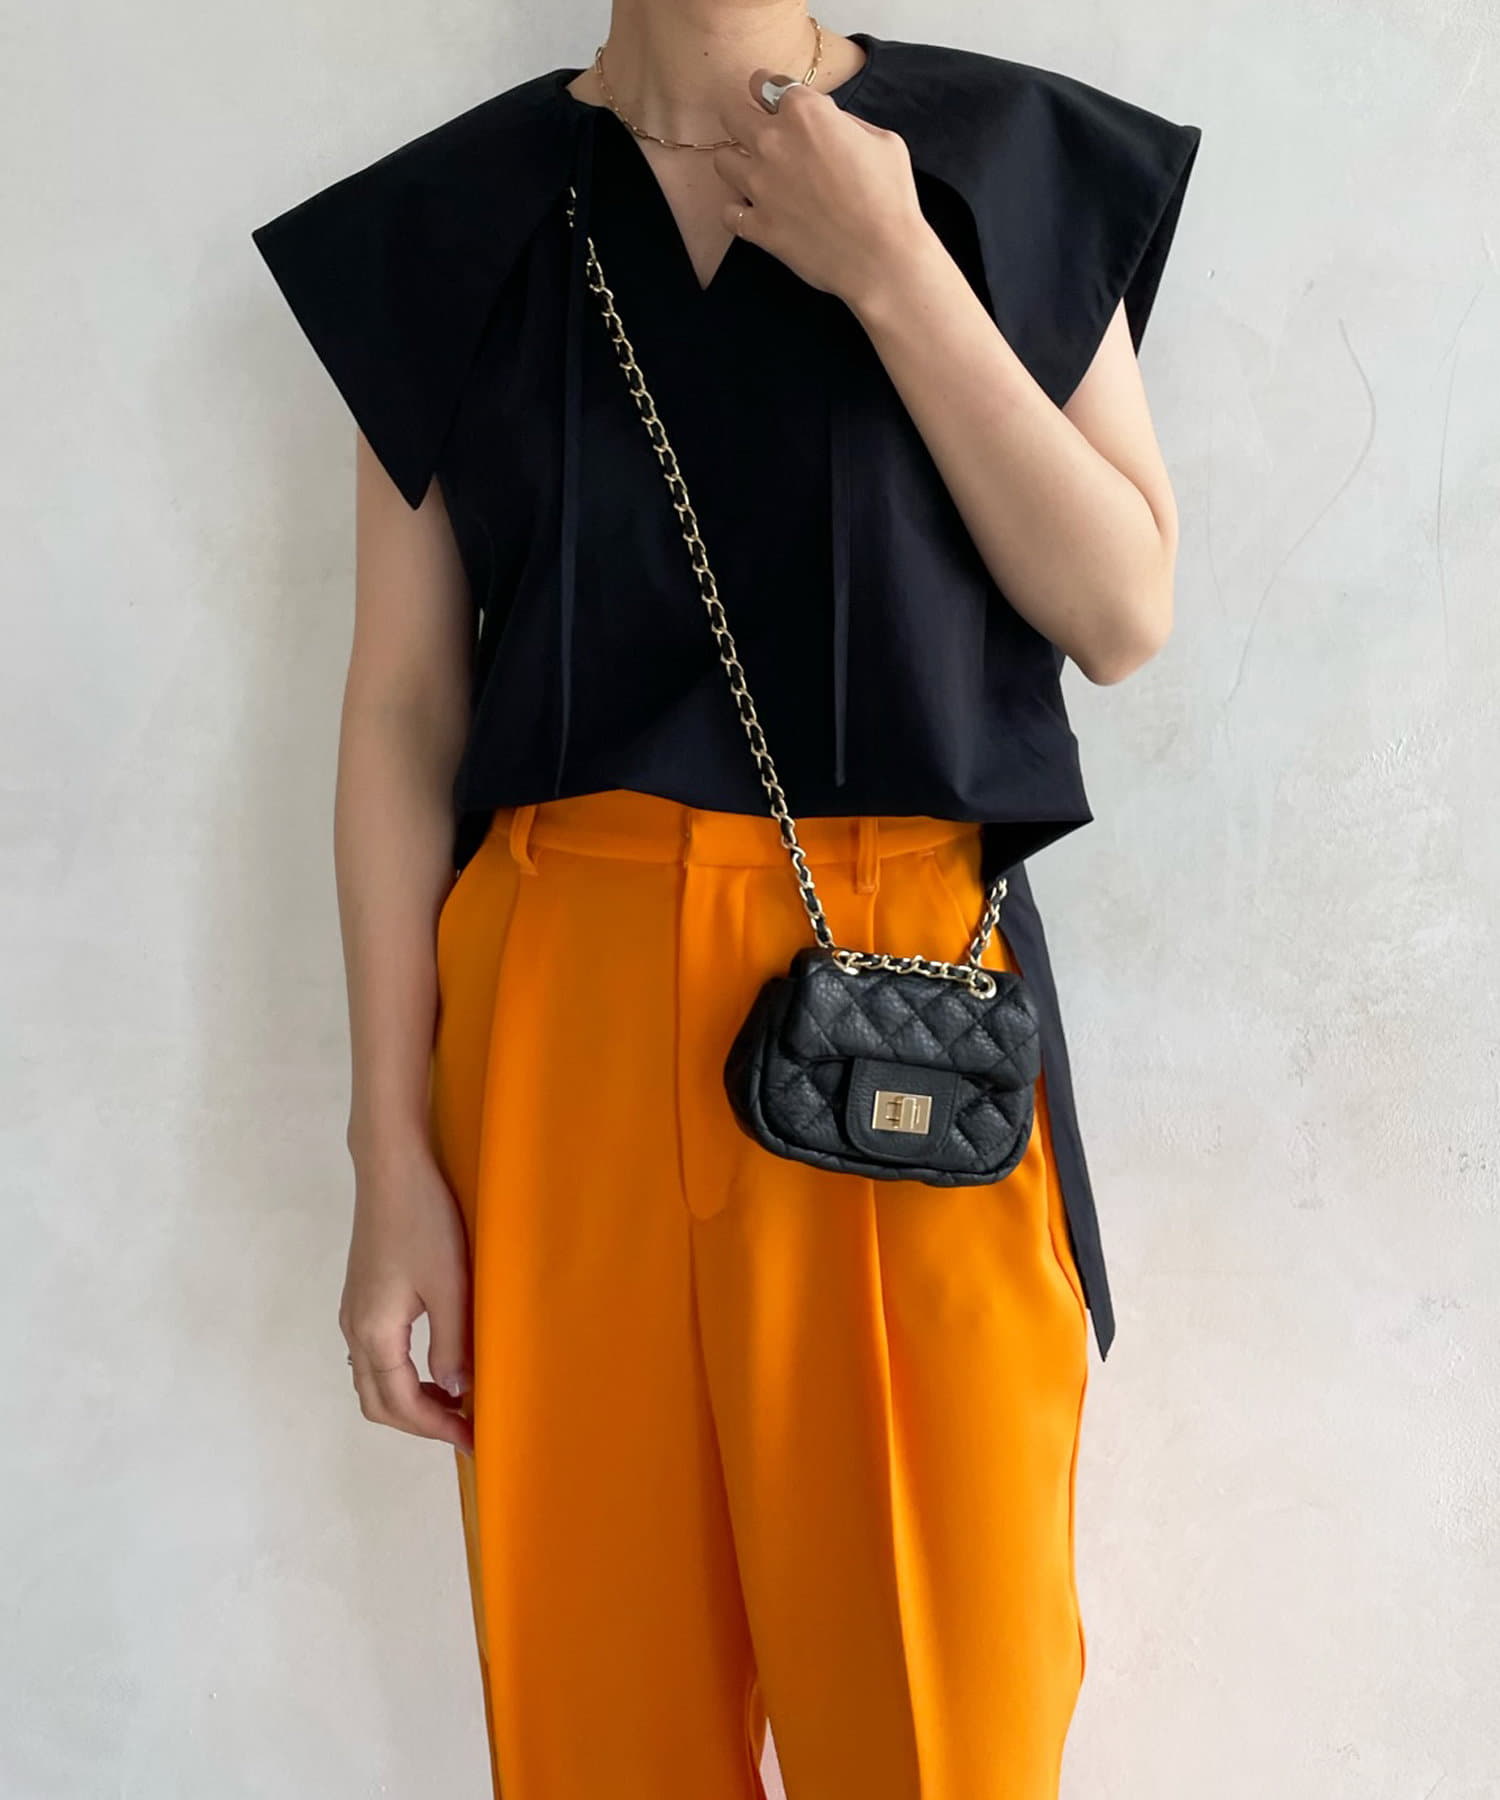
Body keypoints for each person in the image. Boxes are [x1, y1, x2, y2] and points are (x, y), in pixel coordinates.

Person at [250, 9, 1201, 1796]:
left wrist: (893, 267)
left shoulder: (999, 162)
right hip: (558, 1011)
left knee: (945, 1729)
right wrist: (388, 1151)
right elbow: (403, 711)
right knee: (600, 1728)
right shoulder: (451, 220)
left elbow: (1121, 609)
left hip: (901, 1010)